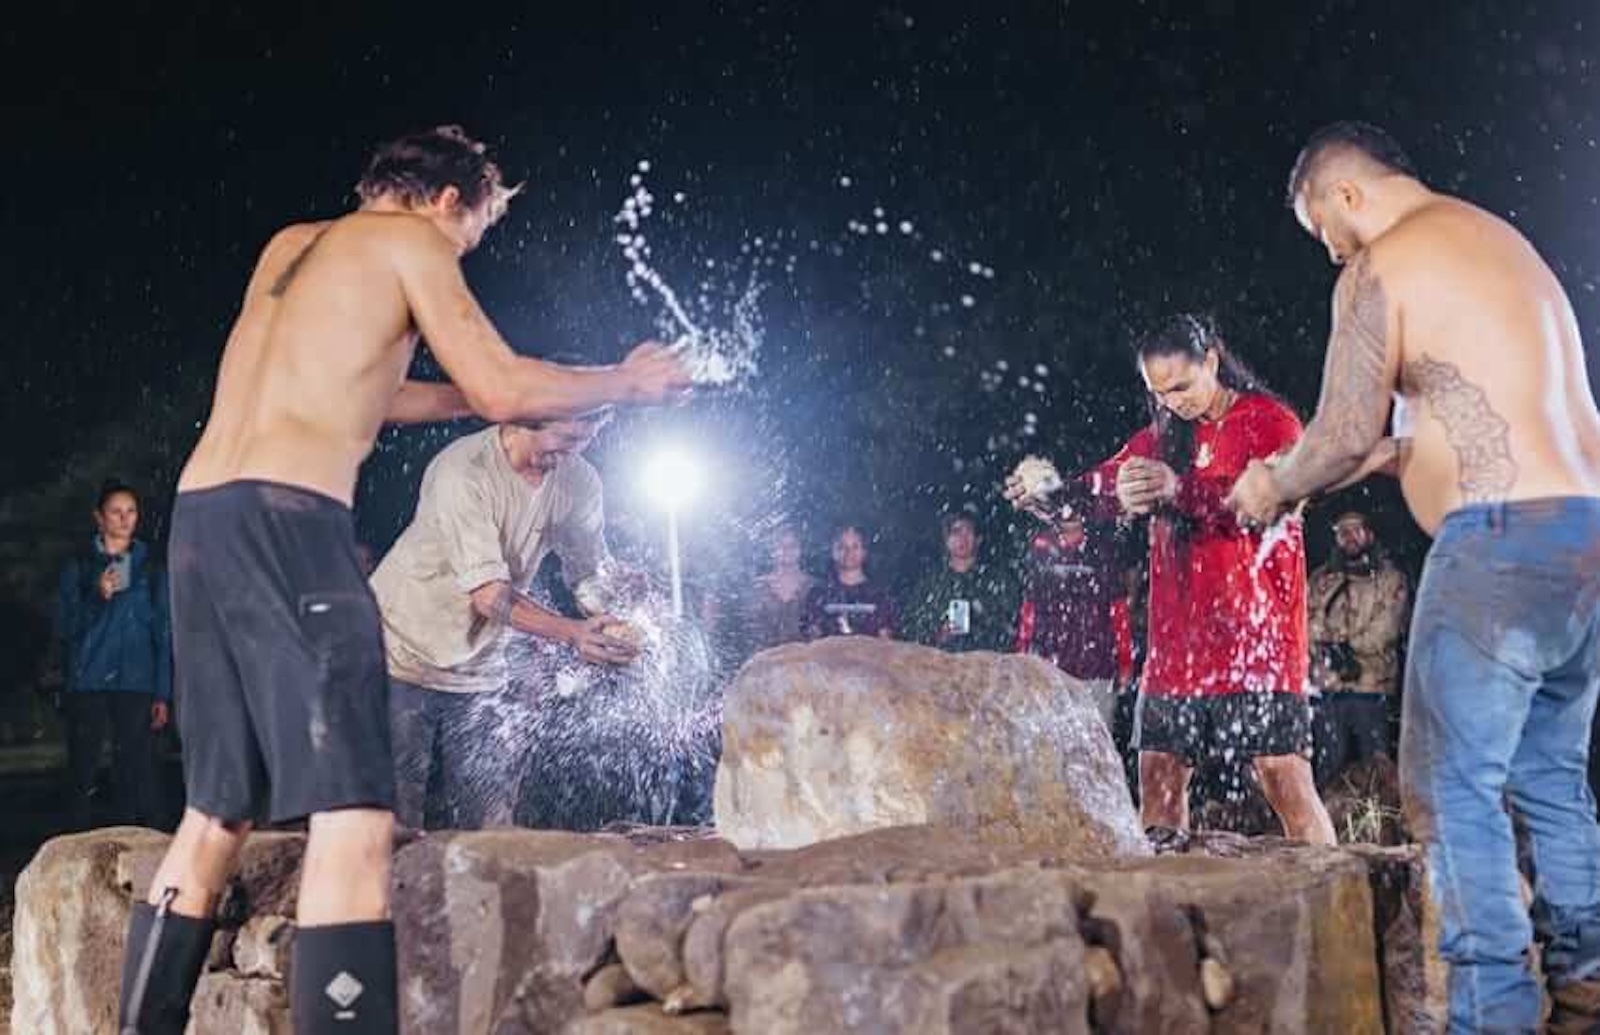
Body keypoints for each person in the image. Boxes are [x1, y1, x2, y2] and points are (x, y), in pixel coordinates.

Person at [118, 125, 690, 1035]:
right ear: (449, 199)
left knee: (214, 812)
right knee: (355, 816)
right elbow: (503, 386)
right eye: (478, 230)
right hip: (288, 523)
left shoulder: (294, 248)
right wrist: (622, 380)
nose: (467, 251)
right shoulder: (413, 240)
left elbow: (384, 394)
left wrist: (473, 389)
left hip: (204, 518)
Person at [1229, 121, 1600, 1033]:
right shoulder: (1503, 246)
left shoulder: (1383, 263)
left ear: (1344, 195)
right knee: (1551, 775)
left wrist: (1273, 483)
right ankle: (1587, 977)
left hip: (1495, 545)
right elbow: (1447, 426)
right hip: (1582, 538)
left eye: (1325, 231)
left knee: (1446, 787)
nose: (1332, 253)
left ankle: (1493, 1009)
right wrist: (1383, 460)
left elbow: (1346, 424)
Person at [1006, 314, 1335, 846]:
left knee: (1284, 780)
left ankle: (1333, 909)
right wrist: (1051, 497)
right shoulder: (1162, 437)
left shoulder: (1271, 423)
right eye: (1158, 392)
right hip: (1177, 652)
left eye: (1181, 386)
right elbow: (1102, 486)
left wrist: (1179, 490)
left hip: (1258, 645)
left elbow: (1266, 502)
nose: (1172, 402)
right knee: (1158, 791)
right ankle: (1163, 915)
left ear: (1212, 362)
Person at [372, 413, 635, 831]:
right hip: (398, 650)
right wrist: (572, 633)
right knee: (393, 821)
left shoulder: (579, 480)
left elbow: (588, 575)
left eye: (584, 441)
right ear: (525, 418)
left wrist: (614, 611)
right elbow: (490, 596)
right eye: (564, 438)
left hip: (483, 666)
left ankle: (485, 897)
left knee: (491, 821)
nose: (570, 453)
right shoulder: (464, 469)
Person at [55, 480, 171, 830]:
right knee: (83, 770)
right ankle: (74, 853)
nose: (124, 519)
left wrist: (162, 692)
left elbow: (163, 633)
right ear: (99, 518)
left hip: (136, 680)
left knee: (133, 768)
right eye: (115, 512)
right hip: (89, 680)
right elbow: (64, 626)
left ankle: (129, 851)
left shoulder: (150, 568)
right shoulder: (79, 566)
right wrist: (97, 596)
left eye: (131, 511)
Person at [1307, 510, 1409, 787]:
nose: (1349, 537)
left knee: (1377, 767)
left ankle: (1379, 825)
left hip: (1371, 687)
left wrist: (1349, 650)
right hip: (1328, 688)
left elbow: (1387, 626)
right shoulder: (1321, 580)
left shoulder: (1390, 579)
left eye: (1356, 530)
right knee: (1328, 766)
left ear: (1369, 535)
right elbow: (1305, 618)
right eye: (1343, 532)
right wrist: (1328, 650)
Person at [1013, 516, 1118, 724]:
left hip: (1096, 668)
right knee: (1051, 745)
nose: (1070, 513)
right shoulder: (1040, 548)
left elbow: (1118, 608)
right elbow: (1029, 609)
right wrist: (1022, 655)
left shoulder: (1102, 549)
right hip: (1049, 670)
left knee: (1097, 745)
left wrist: (1124, 661)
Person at [905, 513, 1018, 653]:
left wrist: (978, 626)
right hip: (938, 665)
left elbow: (1011, 626)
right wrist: (937, 635)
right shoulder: (932, 583)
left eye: (968, 532)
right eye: (956, 531)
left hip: (986, 665)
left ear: (978, 539)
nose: (962, 539)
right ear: (946, 540)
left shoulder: (997, 580)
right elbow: (911, 628)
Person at [801, 524, 898, 640]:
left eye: (855, 546)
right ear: (833, 552)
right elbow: (813, 639)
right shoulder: (818, 594)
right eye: (842, 546)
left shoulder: (880, 595)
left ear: (864, 552)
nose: (848, 552)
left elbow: (886, 642)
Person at [744, 524, 817, 652]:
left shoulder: (814, 586)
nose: (786, 550)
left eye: (792, 545)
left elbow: (820, 634)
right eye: (780, 546)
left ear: (801, 549)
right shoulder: (757, 588)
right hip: (764, 663)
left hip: (805, 664)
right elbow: (749, 634)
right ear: (772, 550)